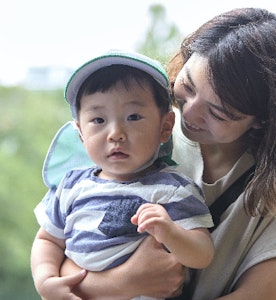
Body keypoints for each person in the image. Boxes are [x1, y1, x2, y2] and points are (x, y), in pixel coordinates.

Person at [57, 7, 276, 300]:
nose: (189, 113)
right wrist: (123, 283)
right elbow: (63, 250)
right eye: (187, 86)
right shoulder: (141, 130)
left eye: (218, 113)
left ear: (263, 119)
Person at [30, 50, 214, 300]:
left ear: (165, 127)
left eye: (133, 117)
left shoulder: (174, 189)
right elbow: (48, 241)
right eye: (98, 119)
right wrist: (46, 280)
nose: (115, 133)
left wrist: (170, 232)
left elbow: (203, 254)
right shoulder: (71, 186)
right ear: (81, 133)